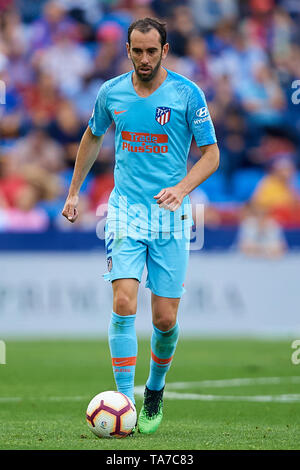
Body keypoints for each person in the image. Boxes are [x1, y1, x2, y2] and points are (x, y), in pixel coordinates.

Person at [62, 17, 219, 435]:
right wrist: (74, 191)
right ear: (127, 50)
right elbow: (93, 136)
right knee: (124, 303)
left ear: (165, 50)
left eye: (152, 51)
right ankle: (124, 402)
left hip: (170, 215)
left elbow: (211, 154)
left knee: (165, 319)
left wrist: (182, 188)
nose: (144, 58)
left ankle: (154, 388)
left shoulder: (187, 94)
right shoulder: (110, 92)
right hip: (126, 212)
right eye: (137, 51)